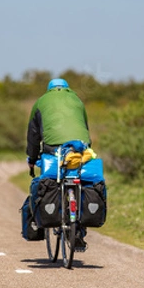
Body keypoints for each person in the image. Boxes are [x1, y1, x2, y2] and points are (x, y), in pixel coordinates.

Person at [26, 78, 91, 251]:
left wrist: (32, 160)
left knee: (52, 181)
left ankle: (54, 215)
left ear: (49, 90)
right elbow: (84, 127)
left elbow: (33, 137)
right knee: (81, 182)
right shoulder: (77, 100)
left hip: (54, 149)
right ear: (67, 89)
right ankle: (79, 229)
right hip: (79, 148)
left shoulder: (41, 102)